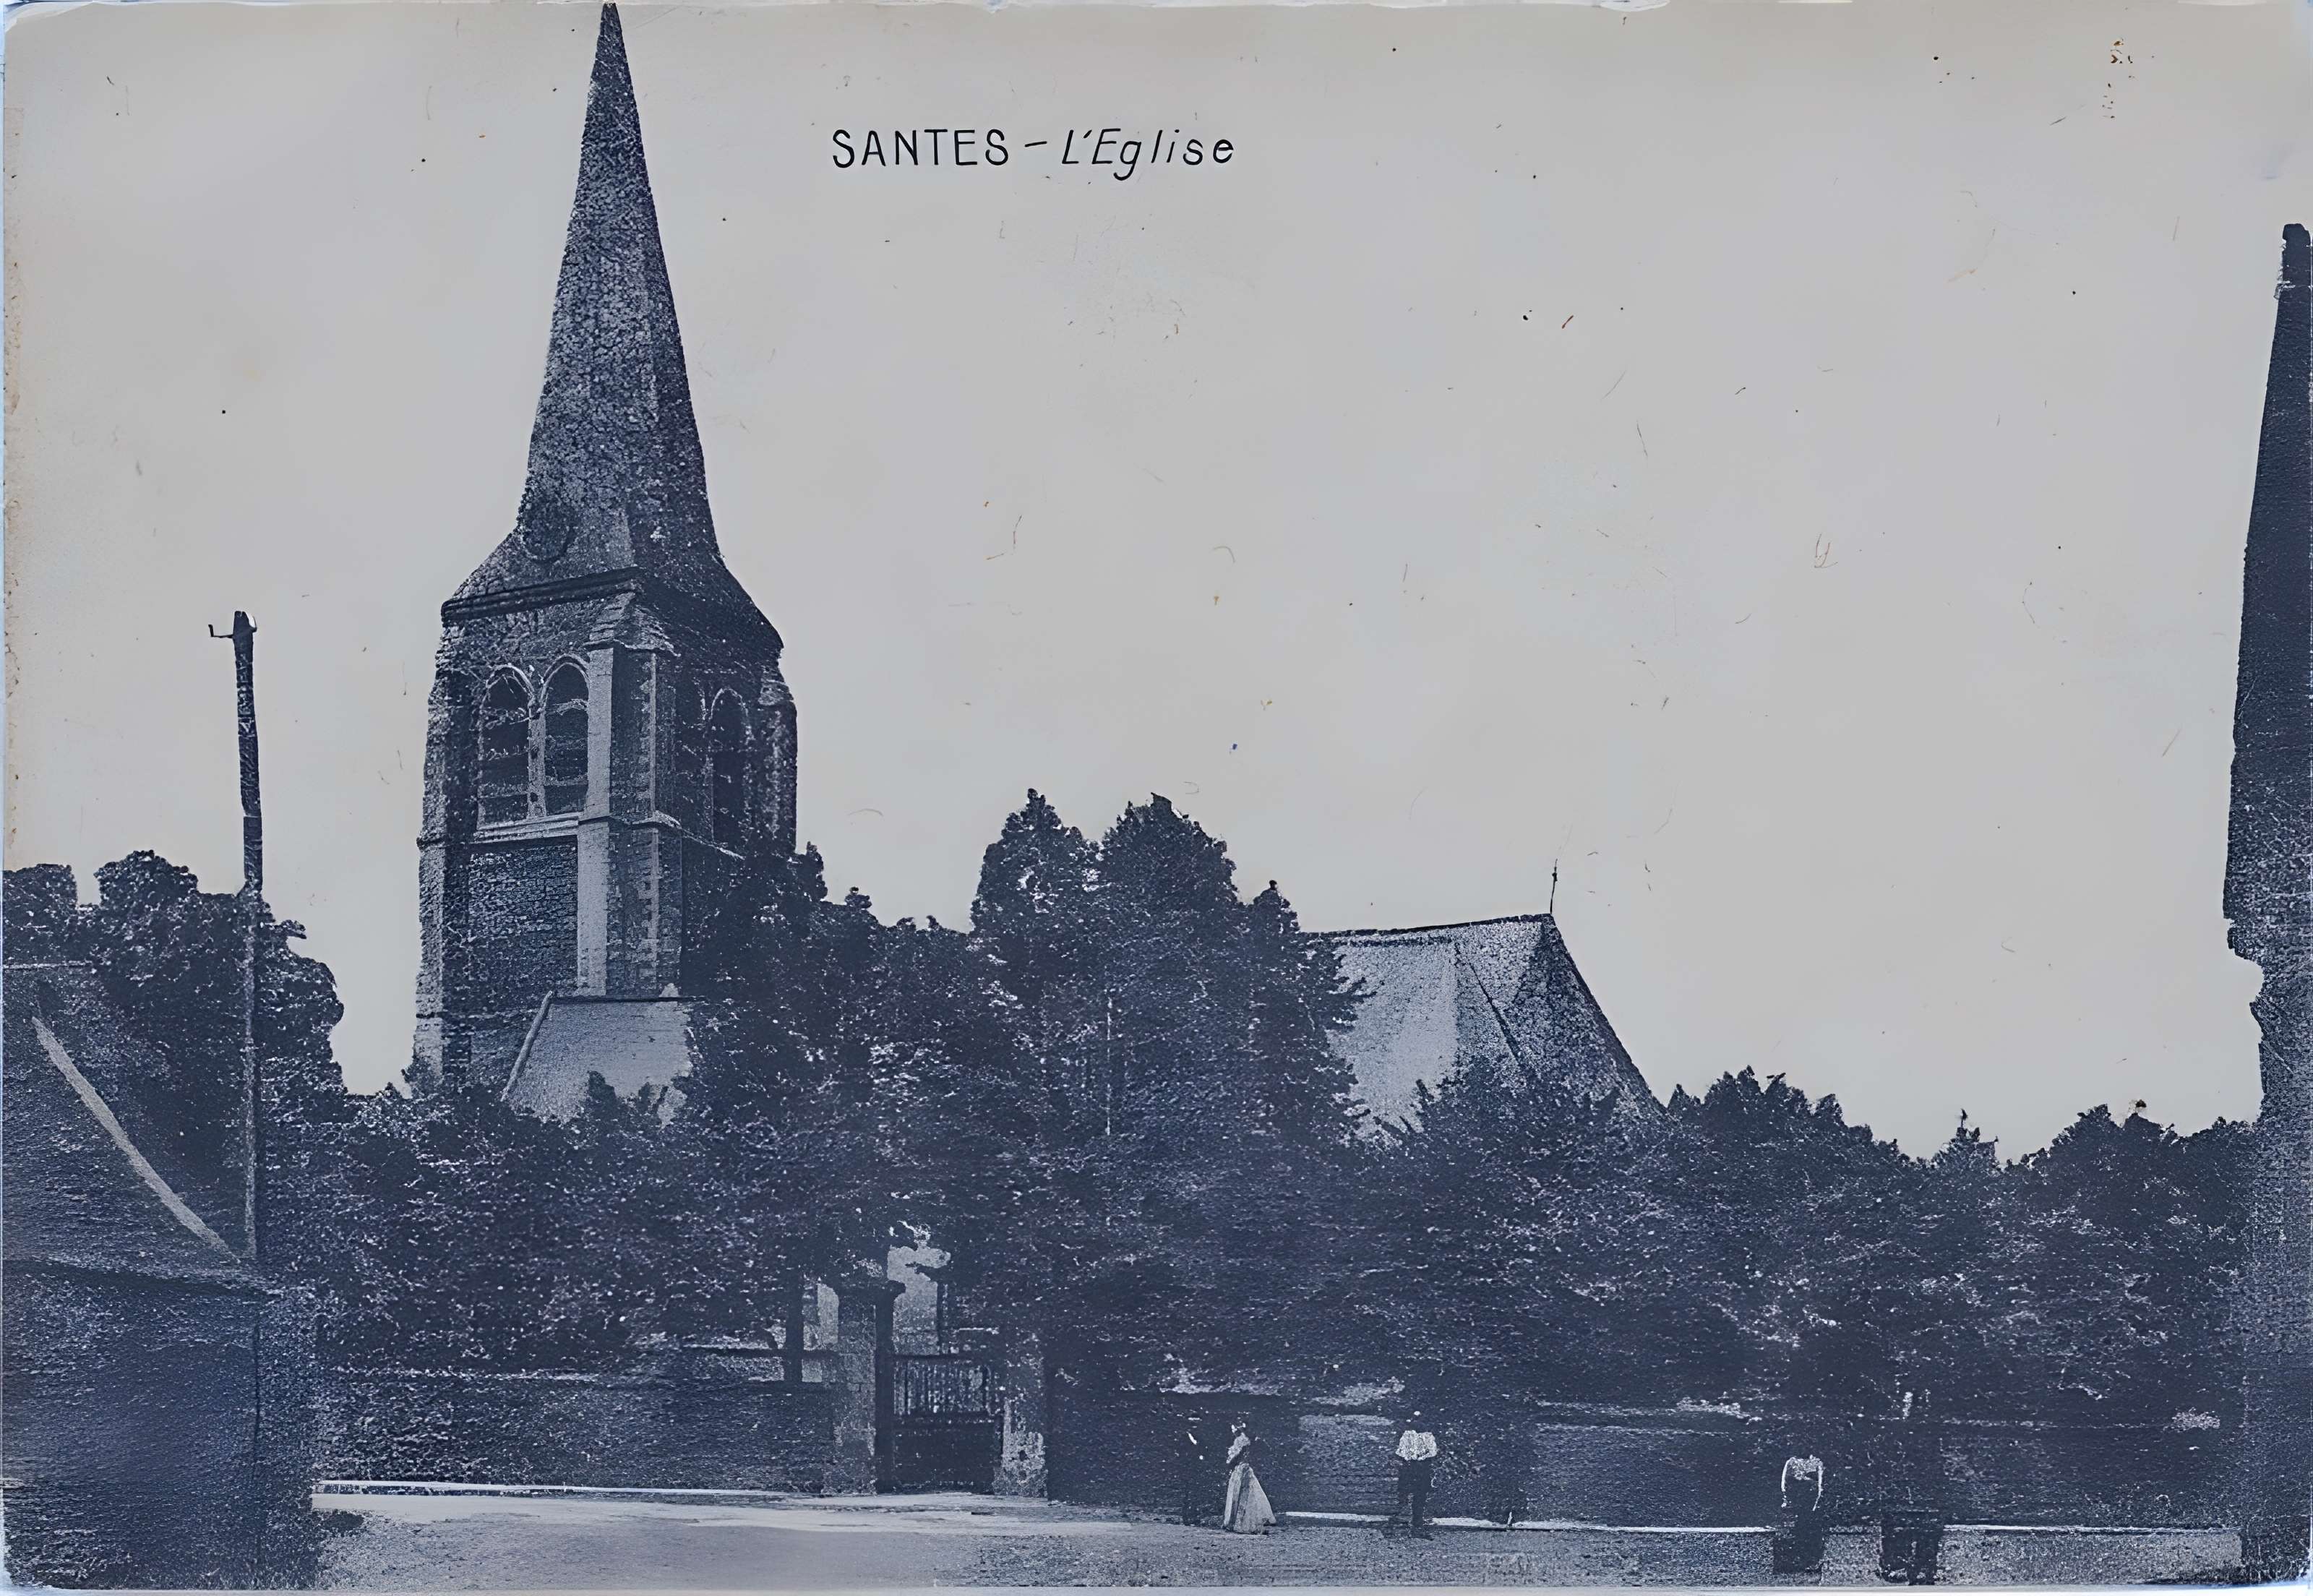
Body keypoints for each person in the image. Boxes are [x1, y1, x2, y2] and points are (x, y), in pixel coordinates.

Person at [1776, 1448, 1828, 1575]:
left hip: (1810, 1503)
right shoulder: (1791, 1462)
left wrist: (1817, 1503)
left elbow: (1821, 1485)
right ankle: (1797, 1561)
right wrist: (1788, 1500)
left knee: (1813, 1531)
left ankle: (1813, 1561)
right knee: (1796, 1531)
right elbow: (1785, 1483)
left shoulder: (1816, 1462)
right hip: (1797, 1502)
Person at [1222, 1417, 1276, 1535]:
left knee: (1242, 1494)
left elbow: (1236, 1457)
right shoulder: (1244, 1440)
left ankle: (1241, 1523)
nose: (1234, 1430)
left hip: (1242, 1469)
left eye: (1235, 1428)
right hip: (1242, 1468)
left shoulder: (1242, 1441)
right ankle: (1236, 1522)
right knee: (1241, 1494)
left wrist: (1229, 1464)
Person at [1393, 1412, 1438, 1537]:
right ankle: (1404, 1523)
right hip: (1409, 1468)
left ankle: (1417, 1524)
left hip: (1423, 1468)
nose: (1418, 1423)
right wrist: (1410, 1459)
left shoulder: (1428, 1436)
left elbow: (1432, 1452)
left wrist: (1421, 1457)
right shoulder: (1407, 1436)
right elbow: (1402, 1452)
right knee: (1405, 1494)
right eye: (1415, 1420)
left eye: (1420, 1420)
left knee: (1421, 1496)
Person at [1178, 1420, 1212, 1527]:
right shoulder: (1183, 1439)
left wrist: (1202, 1457)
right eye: (1192, 1426)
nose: (1195, 1428)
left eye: (1196, 1426)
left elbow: (1205, 1451)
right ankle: (1186, 1518)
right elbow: (1180, 1453)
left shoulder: (1200, 1439)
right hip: (1186, 1469)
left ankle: (1194, 1517)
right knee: (1187, 1494)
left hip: (1197, 1469)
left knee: (1195, 1493)